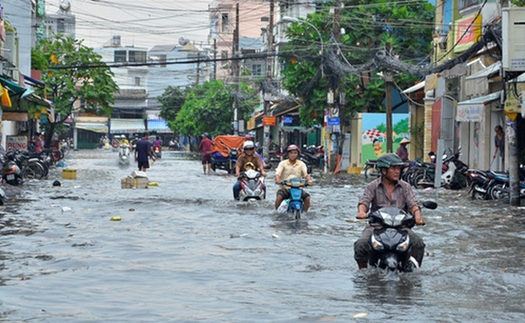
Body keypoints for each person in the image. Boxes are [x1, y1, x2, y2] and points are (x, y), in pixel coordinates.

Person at [354, 153, 426, 269]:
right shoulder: (372, 186)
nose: (397, 171)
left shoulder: (405, 187)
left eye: (398, 169)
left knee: (418, 243)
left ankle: (413, 268)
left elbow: (414, 204)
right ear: (383, 170)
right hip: (376, 227)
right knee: (360, 245)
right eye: (393, 168)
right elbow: (364, 202)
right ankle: (363, 270)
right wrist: (361, 212)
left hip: (401, 228)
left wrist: (418, 217)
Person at [274, 144, 313, 212]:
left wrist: (309, 181)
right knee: (279, 198)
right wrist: (278, 180)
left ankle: (304, 212)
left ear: (298, 154)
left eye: (295, 153)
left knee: (307, 198)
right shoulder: (282, 163)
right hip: (285, 188)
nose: (293, 155)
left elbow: (306, 174)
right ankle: (277, 212)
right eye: (291, 153)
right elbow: (278, 173)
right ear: (288, 154)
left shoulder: (301, 164)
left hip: (297, 189)